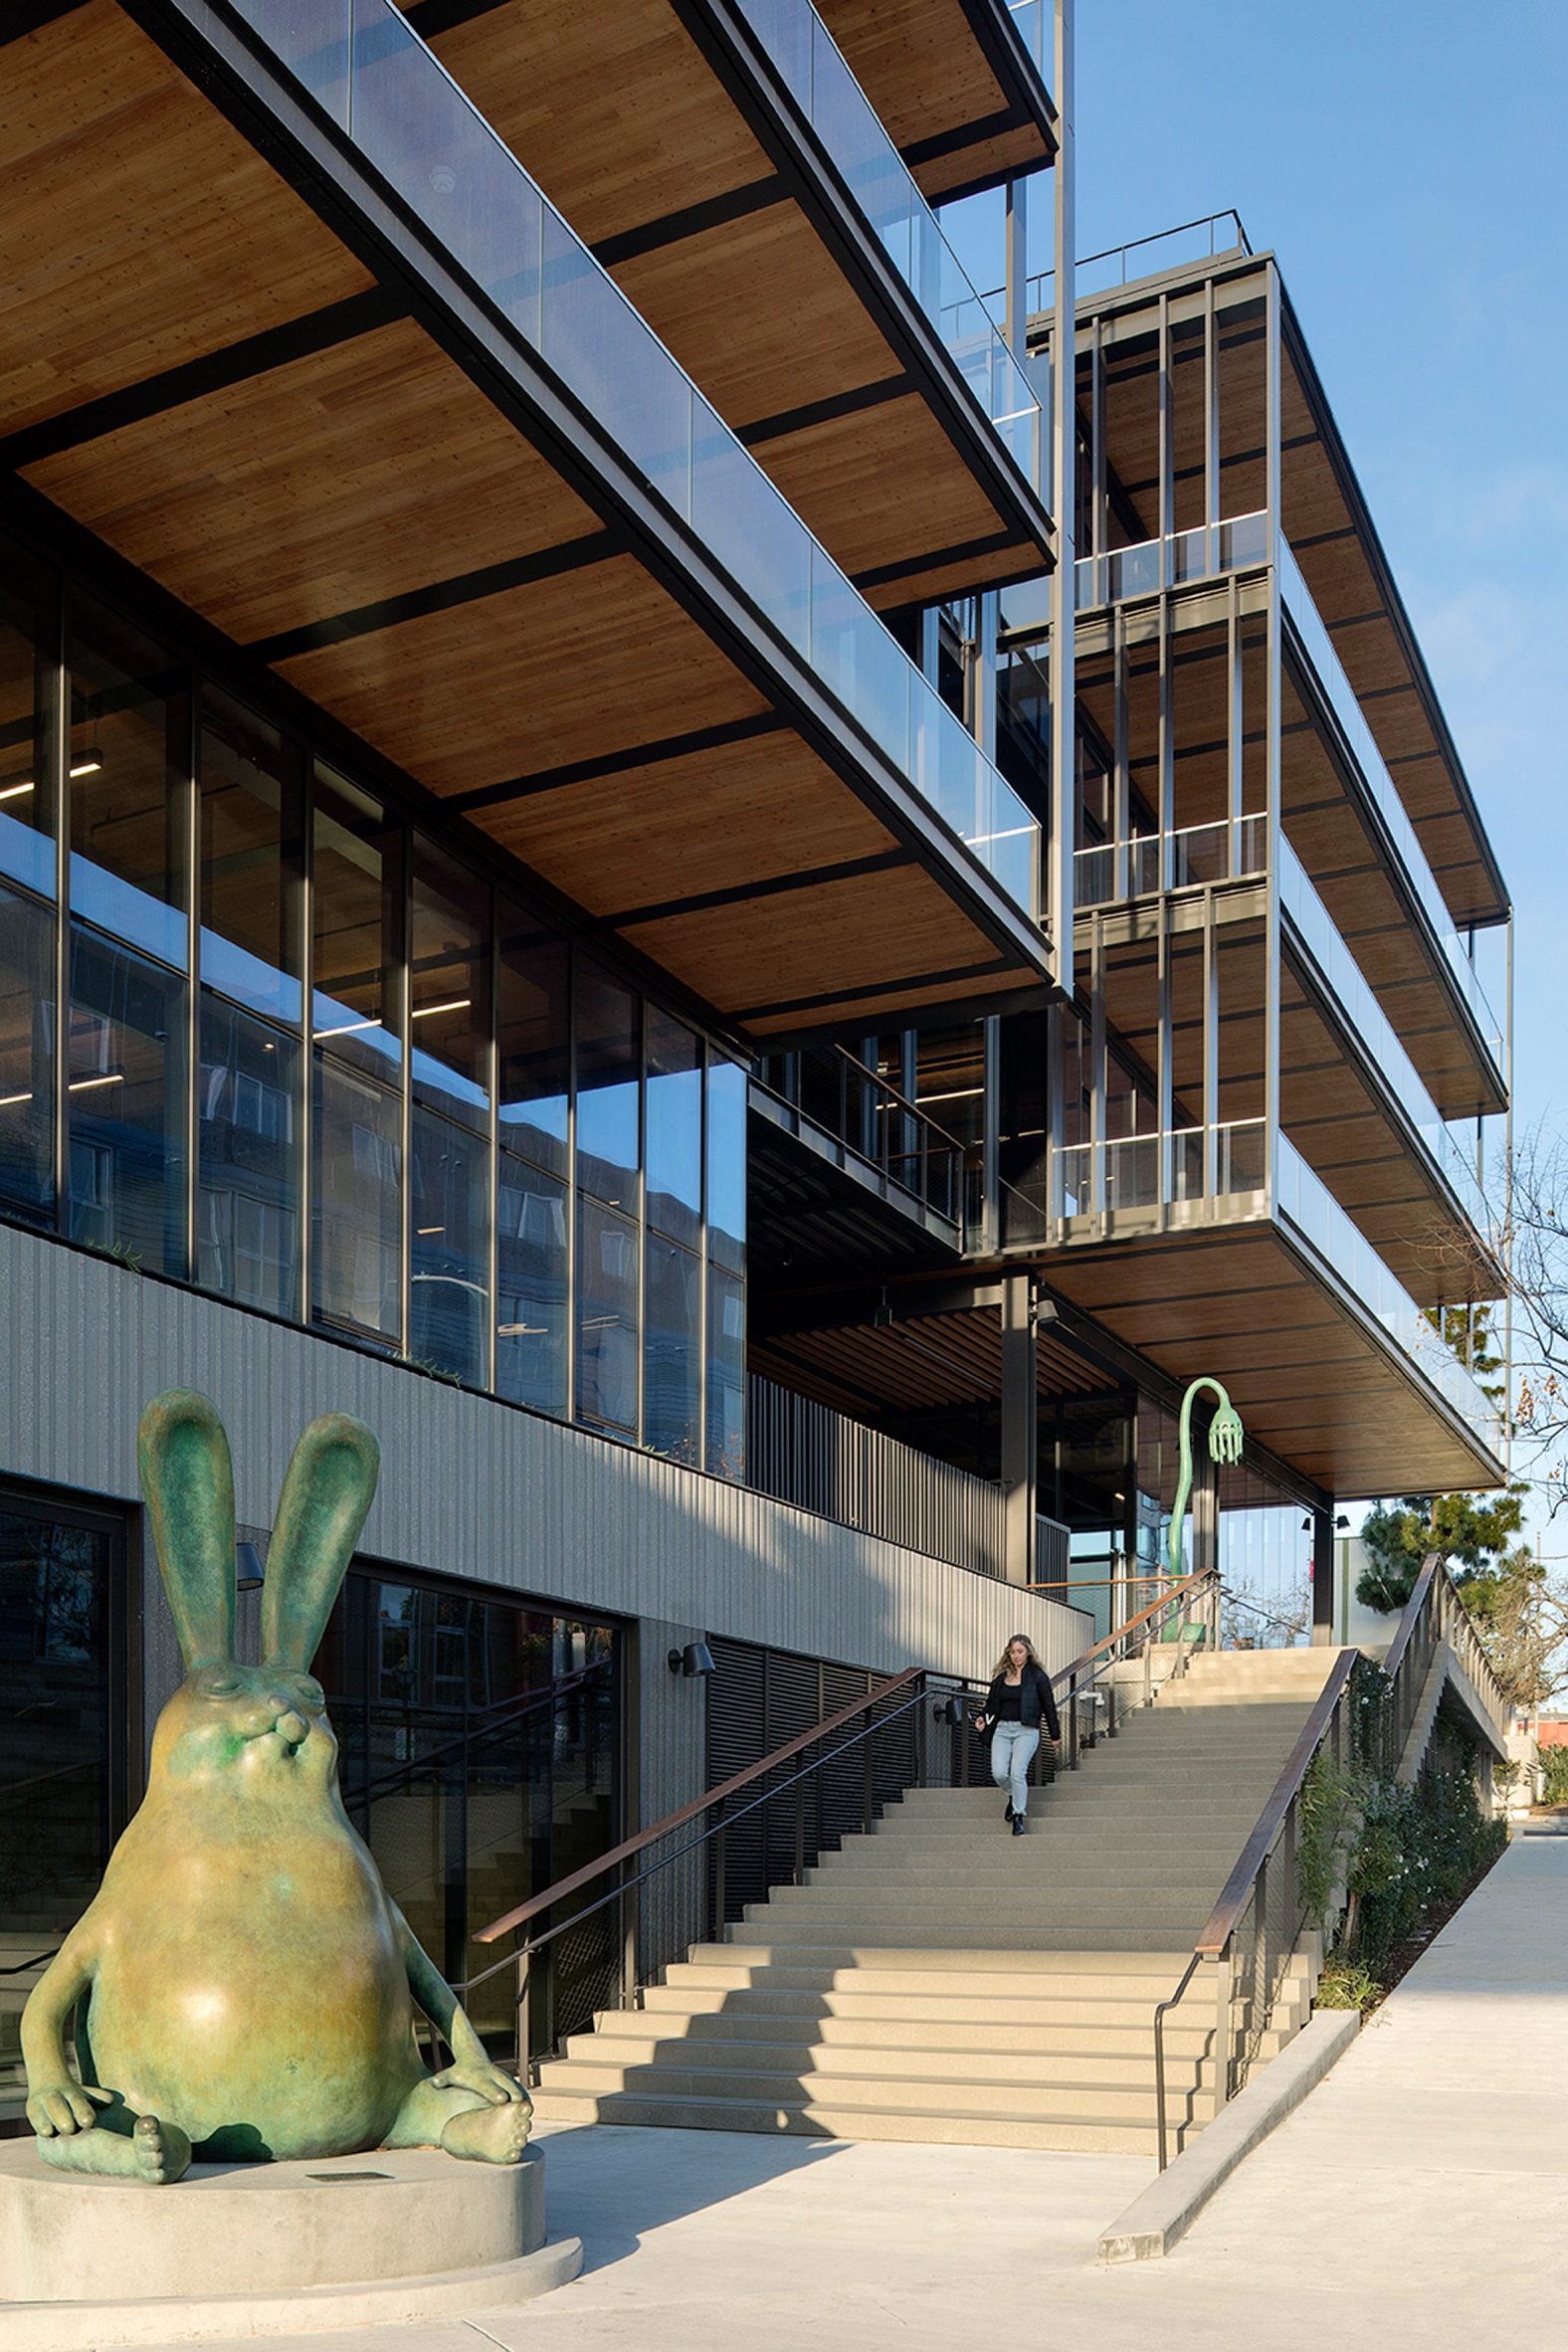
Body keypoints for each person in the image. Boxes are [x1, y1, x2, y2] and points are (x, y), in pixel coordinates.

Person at [975, 1634, 1062, 1835]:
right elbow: (991, 1705)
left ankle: (1018, 1815)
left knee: (1017, 1772)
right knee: (999, 1773)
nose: (1016, 1655)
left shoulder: (1038, 1677)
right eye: (1012, 1652)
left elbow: (1049, 1706)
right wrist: (982, 1719)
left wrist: (1054, 1735)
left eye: (1020, 1651)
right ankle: (1013, 1794)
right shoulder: (1001, 1678)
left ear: (1028, 1652)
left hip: (1027, 1730)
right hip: (1002, 1730)